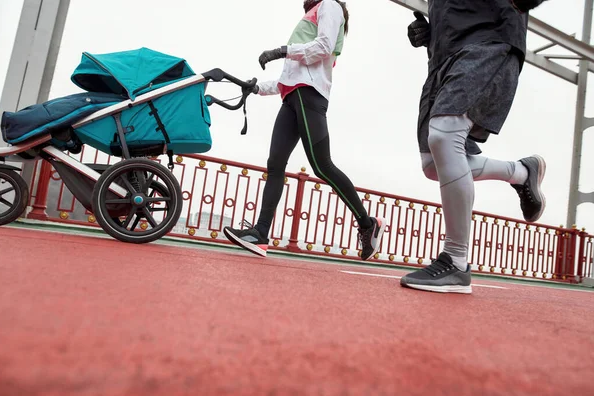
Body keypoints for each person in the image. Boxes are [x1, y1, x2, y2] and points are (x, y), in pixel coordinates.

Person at [401, 0, 549, 294]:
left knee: (445, 135)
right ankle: (520, 172)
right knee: (433, 164)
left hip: (488, 40)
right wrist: (429, 32)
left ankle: (455, 262)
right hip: (442, 58)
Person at [224, 0, 385, 259]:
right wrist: (255, 88)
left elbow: (323, 47)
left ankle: (368, 224)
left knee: (322, 166)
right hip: (291, 96)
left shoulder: (329, 5)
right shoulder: (312, 13)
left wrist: (281, 50)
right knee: (275, 163)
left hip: (309, 95)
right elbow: (287, 79)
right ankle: (260, 233)